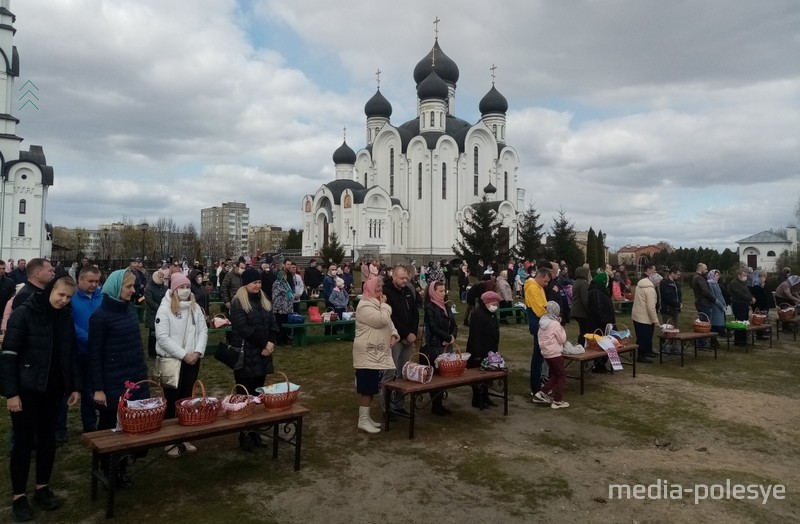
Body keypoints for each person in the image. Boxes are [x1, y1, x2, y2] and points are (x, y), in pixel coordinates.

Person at [1, 275, 81, 522]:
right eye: (60, 295)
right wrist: (11, 392)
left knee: (48, 440)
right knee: (24, 443)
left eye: (68, 297)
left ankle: (42, 488)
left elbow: (70, 352)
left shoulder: (65, 316)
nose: (64, 300)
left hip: (53, 389)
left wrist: (74, 386)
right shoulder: (24, 313)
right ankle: (18, 497)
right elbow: (8, 354)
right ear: (49, 290)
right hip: (27, 390)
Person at [88, 268, 150, 487]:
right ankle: (108, 470)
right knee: (110, 427)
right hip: (112, 382)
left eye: (133, 286)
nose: (133, 291)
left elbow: (135, 346)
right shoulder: (100, 317)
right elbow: (94, 355)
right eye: (128, 287)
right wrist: (98, 388)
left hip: (134, 378)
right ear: (116, 288)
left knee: (131, 425)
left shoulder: (130, 310)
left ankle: (122, 467)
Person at [155, 273, 208, 458]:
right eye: (181, 287)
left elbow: (203, 330)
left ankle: (183, 436)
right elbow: (162, 337)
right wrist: (183, 354)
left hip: (192, 360)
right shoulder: (164, 309)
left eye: (187, 287)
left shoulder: (195, 308)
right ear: (174, 289)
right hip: (173, 361)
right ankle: (170, 440)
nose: (185, 290)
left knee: (186, 399)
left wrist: (197, 352)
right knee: (171, 400)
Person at [228, 267, 279, 451]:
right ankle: (244, 435)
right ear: (246, 284)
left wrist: (271, 341)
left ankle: (255, 433)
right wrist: (264, 344)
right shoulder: (238, 302)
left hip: (263, 355)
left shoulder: (264, 300)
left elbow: (273, 323)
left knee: (257, 396)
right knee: (244, 397)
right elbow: (244, 329)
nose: (257, 285)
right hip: (245, 356)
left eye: (259, 282)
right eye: (254, 282)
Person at [352, 274, 398, 434]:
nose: (380, 291)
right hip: (367, 352)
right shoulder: (364, 306)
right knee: (367, 388)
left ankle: (367, 417)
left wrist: (393, 334)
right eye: (377, 288)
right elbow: (381, 320)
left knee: (372, 387)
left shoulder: (378, 304)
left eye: (381, 288)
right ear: (370, 289)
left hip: (377, 352)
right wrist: (385, 305)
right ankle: (362, 420)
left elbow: (389, 323)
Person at [380, 265, 419, 418]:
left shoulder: (408, 291)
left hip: (409, 338)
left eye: (406, 278)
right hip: (395, 339)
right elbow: (391, 318)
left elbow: (415, 313)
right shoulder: (387, 292)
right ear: (393, 276)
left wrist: (413, 332)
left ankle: (399, 404)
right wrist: (405, 333)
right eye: (402, 278)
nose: (405, 280)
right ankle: (386, 408)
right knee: (390, 373)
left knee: (404, 373)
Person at [68, 266, 103, 434]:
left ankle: (103, 420)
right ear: (80, 280)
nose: (94, 285)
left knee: (99, 387)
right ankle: (89, 425)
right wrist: (88, 339)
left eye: (97, 281)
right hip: (81, 350)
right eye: (90, 281)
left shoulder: (102, 297)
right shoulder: (72, 298)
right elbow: (70, 323)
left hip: (101, 351)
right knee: (85, 390)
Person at [423, 280, 457, 416]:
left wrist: (452, 337)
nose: (443, 294)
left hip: (447, 345)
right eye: (440, 291)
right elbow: (433, 327)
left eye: (444, 291)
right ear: (433, 292)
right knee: (436, 375)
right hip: (435, 345)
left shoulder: (446, 306)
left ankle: (440, 404)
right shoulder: (430, 308)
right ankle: (435, 405)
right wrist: (446, 338)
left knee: (445, 374)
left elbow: (454, 324)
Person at [465, 291, 500, 409]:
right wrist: (477, 354)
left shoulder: (492, 314)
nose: (495, 306)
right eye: (493, 303)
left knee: (488, 374)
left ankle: (485, 396)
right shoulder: (477, 314)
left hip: (490, 348)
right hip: (478, 349)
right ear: (486, 302)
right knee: (478, 375)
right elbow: (475, 335)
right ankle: (477, 398)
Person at [532, 301, 569, 409]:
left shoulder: (542, 321)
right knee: (561, 375)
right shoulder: (555, 324)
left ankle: (543, 392)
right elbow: (562, 339)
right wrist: (561, 327)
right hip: (555, 353)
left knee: (555, 375)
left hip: (546, 352)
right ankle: (557, 400)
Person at [525, 267, 550, 400]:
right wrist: (550, 314)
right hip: (538, 324)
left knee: (540, 356)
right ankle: (535, 388)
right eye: (545, 281)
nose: (546, 284)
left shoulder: (539, 287)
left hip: (542, 323)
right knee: (537, 357)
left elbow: (544, 305)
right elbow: (539, 310)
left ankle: (538, 384)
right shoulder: (532, 288)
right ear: (540, 277)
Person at [586, 272, 616, 373]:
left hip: (603, 322)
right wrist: (605, 321)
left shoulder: (600, 290)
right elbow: (598, 308)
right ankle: (598, 365)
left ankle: (602, 364)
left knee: (606, 344)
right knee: (600, 344)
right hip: (599, 324)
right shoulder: (596, 292)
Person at [632, 264, 659, 363]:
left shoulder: (641, 284)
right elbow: (651, 307)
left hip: (637, 314)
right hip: (644, 316)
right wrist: (655, 321)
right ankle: (641, 355)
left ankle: (647, 351)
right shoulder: (650, 289)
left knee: (642, 335)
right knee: (644, 337)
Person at [144, 270, 168, 359]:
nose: (161, 279)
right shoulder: (149, 287)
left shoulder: (165, 288)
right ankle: (152, 352)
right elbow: (149, 301)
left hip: (163, 313)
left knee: (162, 333)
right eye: (159, 277)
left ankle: (161, 350)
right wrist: (160, 308)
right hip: (153, 314)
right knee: (153, 334)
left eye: (162, 277)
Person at [728, 268, 756, 347]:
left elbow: (747, 292)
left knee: (744, 322)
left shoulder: (743, 283)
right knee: (739, 322)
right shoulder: (734, 283)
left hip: (744, 305)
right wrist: (749, 298)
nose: (745, 277)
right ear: (739, 275)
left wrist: (752, 297)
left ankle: (743, 340)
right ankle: (738, 341)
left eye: (746, 275)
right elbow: (739, 294)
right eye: (744, 275)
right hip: (738, 304)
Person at [691, 263, 716, 347]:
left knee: (702, 321)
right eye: (705, 269)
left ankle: (701, 341)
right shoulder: (699, 278)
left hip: (700, 301)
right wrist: (714, 299)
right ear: (701, 269)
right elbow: (705, 291)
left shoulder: (695, 277)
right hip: (704, 302)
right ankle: (701, 342)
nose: (707, 271)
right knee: (704, 323)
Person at [271, 270, 294, 345]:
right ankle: (279, 340)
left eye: (286, 275)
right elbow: (278, 294)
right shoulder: (277, 283)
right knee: (279, 324)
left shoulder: (286, 283)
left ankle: (285, 339)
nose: (285, 277)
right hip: (279, 307)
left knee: (285, 324)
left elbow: (289, 292)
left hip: (286, 307)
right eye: (283, 275)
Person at [570, 266, 591, 346]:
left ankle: (581, 345)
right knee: (584, 331)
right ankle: (581, 345)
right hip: (581, 311)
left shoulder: (576, 282)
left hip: (576, 310)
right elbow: (585, 299)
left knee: (583, 330)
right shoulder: (584, 284)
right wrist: (589, 310)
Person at [706, 269, 727, 347]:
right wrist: (720, 304)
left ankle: (715, 340)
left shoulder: (716, 284)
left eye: (718, 275)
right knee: (714, 325)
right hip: (715, 306)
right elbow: (713, 296)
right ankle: (713, 341)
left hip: (720, 306)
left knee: (718, 325)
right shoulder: (710, 284)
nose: (718, 277)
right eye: (716, 275)